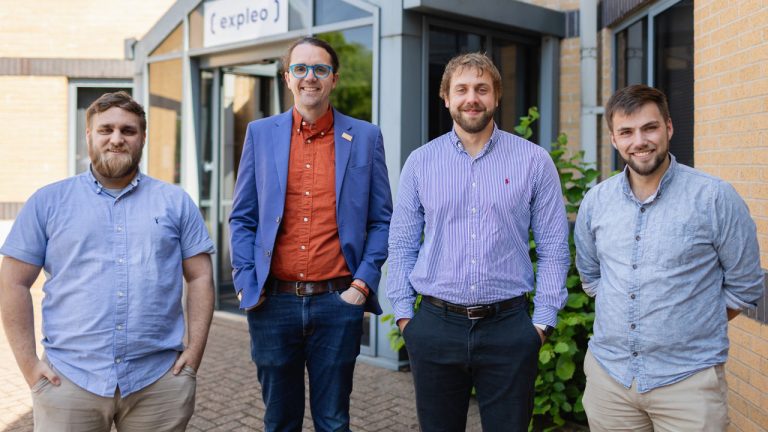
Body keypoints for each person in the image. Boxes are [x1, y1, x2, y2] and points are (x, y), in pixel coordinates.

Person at [0, 91, 216, 431]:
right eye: (106, 130)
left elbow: (201, 278)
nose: (117, 139)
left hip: (158, 382)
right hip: (68, 380)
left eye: (128, 131)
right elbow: (12, 282)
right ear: (89, 135)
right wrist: (28, 366)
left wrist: (194, 354)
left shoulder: (175, 202)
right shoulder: (48, 202)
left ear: (142, 138)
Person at [387, 52, 570, 432]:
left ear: (496, 97)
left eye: (482, 89)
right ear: (447, 97)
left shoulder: (533, 161)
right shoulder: (420, 163)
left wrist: (541, 324)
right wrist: (407, 319)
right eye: (462, 89)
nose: (472, 98)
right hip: (435, 326)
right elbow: (402, 245)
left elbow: (554, 247)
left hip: (509, 328)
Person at [574, 84, 764, 431]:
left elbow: (746, 284)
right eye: (626, 132)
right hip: (610, 380)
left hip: (687, 381)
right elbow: (591, 275)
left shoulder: (713, 198)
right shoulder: (596, 202)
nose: (639, 141)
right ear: (614, 140)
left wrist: (692, 321)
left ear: (669, 128)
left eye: (650, 127)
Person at [228, 36, 392, 432]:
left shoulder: (365, 137)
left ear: (333, 79)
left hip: (338, 302)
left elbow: (381, 219)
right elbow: (243, 217)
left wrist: (362, 284)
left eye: (320, 69)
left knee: (333, 421)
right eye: (300, 69)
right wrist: (244, 281)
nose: (309, 77)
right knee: (279, 420)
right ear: (288, 78)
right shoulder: (260, 133)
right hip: (273, 303)